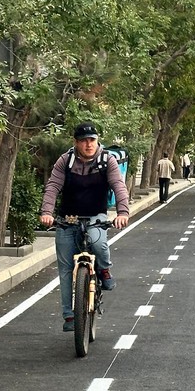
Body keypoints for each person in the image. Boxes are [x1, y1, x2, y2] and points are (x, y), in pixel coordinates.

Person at [39, 122, 130, 332]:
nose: (88, 144)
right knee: (64, 268)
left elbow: (119, 186)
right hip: (67, 218)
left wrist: (122, 212)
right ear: (76, 142)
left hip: (95, 216)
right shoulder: (66, 160)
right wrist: (46, 213)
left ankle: (104, 270)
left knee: (98, 243)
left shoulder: (108, 160)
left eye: (92, 140)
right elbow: (53, 186)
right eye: (83, 140)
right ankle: (69, 316)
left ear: (97, 140)